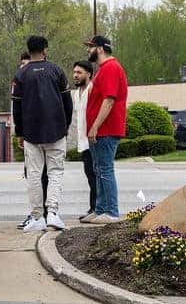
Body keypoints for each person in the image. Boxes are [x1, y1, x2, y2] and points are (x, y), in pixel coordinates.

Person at [11, 35, 73, 232]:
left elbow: (16, 107)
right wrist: (65, 125)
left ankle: (37, 216)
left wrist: (19, 132)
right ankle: (52, 213)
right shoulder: (56, 71)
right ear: (45, 49)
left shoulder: (21, 75)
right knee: (55, 173)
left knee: (34, 175)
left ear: (29, 51)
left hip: (31, 132)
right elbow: (67, 102)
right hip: (56, 130)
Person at [84, 35, 128, 224]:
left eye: (91, 47)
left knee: (105, 169)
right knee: (99, 169)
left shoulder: (110, 68)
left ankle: (111, 211)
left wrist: (95, 126)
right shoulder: (103, 70)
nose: (88, 50)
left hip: (107, 130)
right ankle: (100, 209)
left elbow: (109, 100)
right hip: (100, 131)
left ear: (100, 49)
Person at [72, 60, 96, 223]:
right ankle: (93, 207)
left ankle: (96, 208)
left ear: (88, 74)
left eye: (79, 72)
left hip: (93, 141)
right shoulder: (76, 93)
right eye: (74, 72)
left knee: (95, 176)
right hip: (83, 142)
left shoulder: (92, 89)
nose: (75, 75)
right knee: (90, 176)